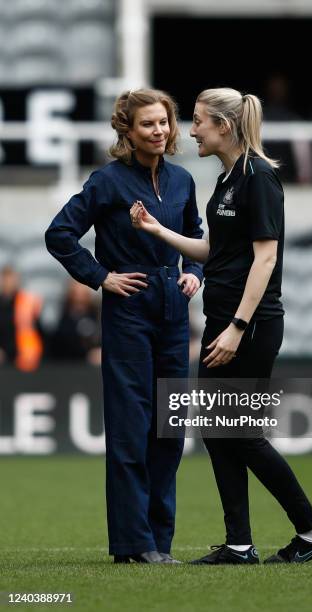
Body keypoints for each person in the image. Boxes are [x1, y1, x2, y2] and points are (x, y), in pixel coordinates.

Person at [130, 87, 312, 565]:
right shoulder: (226, 179)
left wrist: (239, 326)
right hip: (224, 321)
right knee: (219, 431)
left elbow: (266, 258)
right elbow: (217, 253)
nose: (190, 129)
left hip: (251, 326)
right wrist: (160, 233)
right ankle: (239, 544)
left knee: (239, 432)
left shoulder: (258, 177)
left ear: (223, 125)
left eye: (198, 120)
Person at [45, 88, 203, 564]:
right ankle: (134, 545)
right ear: (127, 131)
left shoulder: (182, 181)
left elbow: (195, 235)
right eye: (148, 124)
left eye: (164, 123)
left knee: (169, 432)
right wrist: (100, 277)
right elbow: (60, 234)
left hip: (174, 315)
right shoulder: (108, 181)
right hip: (129, 313)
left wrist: (194, 273)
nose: (159, 131)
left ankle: (159, 543)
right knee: (132, 430)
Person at [0, 265, 43, 371]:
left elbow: (38, 331)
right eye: (5, 279)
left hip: (25, 357)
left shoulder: (27, 302)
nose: (8, 282)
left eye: (11, 278)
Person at [48, 279, 101, 364]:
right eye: (75, 297)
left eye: (84, 297)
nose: (80, 300)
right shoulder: (62, 320)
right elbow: (61, 348)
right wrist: (87, 356)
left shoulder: (97, 317)